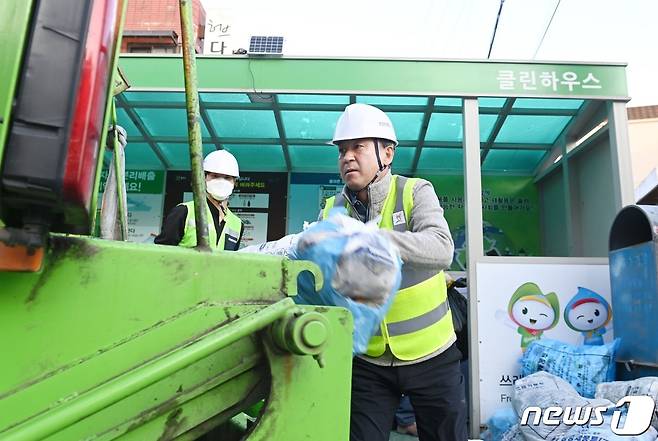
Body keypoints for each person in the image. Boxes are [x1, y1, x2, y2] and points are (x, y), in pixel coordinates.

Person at [319, 103, 467, 441]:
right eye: (342, 150)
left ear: (387, 153)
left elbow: (441, 248)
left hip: (432, 353)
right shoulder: (332, 209)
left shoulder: (415, 191)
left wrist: (371, 238)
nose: (347, 157)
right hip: (369, 359)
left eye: (358, 146)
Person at [155, 150, 244, 250]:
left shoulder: (237, 224)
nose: (221, 182)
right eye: (215, 176)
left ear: (234, 182)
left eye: (227, 177)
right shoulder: (184, 211)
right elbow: (160, 252)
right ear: (204, 177)